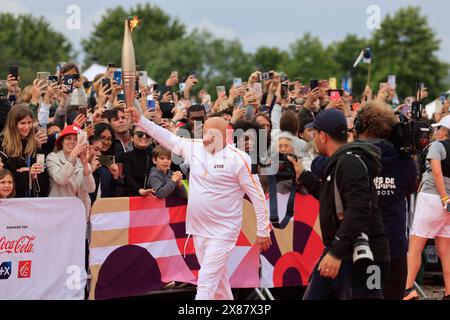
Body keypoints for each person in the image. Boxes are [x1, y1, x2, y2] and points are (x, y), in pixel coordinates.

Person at [125, 106, 271, 300]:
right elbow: (168, 138)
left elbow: (257, 194)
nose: (206, 138)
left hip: (224, 230)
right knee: (217, 283)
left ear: (223, 136)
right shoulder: (195, 147)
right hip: (198, 228)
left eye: (212, 134)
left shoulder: (238, 159)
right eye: (204, 132)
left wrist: (263, 230)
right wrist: (141, 120)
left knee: (205, 281)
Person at [293, 108, 390, 300]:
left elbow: (359, 210)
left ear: (323, 136)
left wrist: (336, 253)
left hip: (365, 256)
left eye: (314, 134)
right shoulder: (340, 161)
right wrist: (303, 176)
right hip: (342, 251)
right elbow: (332, 199)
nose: (312, 139)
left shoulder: (349, 162)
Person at [354, 101, 417, 300]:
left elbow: (321, 166)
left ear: (359, 126)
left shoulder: (352, 157)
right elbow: (410, 188)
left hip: (362, 247)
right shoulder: (406, 161)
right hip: (395, 246)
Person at [404, 115, 450, 300]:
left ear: (445, 131)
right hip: (447, 203)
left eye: (439, 128)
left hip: (433, 198)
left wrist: (444, 197)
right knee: (446, 251)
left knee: (415, 247)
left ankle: (407, 289)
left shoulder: (437, 146)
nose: (435, 131)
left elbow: (436, 172)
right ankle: (448, 293)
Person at [46, 125, 96, 219]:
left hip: (80, 215)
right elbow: (61, 179)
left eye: (76, 139)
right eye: (68, 138)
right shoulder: (52, 158)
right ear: (61, 142)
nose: (72, 142)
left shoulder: (83, 161)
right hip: (58, 214)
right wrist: (73, 155)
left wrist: (85, 164)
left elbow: (90, 189)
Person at [0, 104, 49, 197]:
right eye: (22, 123)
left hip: (33, 202)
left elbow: (45, 179)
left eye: (29, 122)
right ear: (13, 124)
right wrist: (27, 174)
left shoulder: (34, 147)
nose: (27, 127)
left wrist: (34, 175)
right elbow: (4, 179)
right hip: (9, 204)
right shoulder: (2, 146)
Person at [122, 125, 154, 197]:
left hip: (154, 197)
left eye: (148, 134)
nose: (144, 137)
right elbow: (127, 177)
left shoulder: (157, 155)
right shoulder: (126, 156)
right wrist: (140, 190)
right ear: (132, 138)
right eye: (140, 134)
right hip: (134, 197)